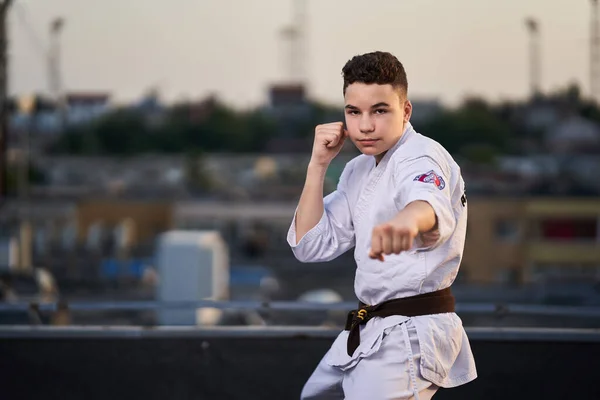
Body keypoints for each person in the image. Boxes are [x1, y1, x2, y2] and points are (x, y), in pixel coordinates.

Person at [287, 51, 477, 400]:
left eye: (380, 110)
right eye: (353, 112)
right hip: (370, 328)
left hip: (412, 331)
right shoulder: (358, 169)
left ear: (405, 111)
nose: (365, 125)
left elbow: (426, 204)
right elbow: (310, 245)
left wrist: (405, 223)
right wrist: (317, 165)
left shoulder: (421, 154)